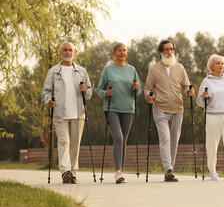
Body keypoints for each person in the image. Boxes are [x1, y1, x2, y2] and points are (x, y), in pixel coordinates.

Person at [145, 39, 194, 182]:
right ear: (160, 52)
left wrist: (189, 91)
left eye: (171, 49)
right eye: (166, 49)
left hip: (178, 109)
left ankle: (170, 169)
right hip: (160, 108)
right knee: (165, 138)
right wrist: (149, 96)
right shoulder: (154, 69)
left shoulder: (180, 68)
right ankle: (168, 169)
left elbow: (186, 85)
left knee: (174, 141)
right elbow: (148, 87)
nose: (169, 52)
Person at [43, 42, 92, 184]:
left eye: (70, 50)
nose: (68, 52)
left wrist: (85, 90)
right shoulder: (53, 72)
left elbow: (89, 92)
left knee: (75, 144)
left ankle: (73, 173)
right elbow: (46, 92)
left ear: (73, 52)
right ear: (60, 52)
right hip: (59, 113)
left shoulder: (81, 71)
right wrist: (49, 101)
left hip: (78, 113)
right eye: (65, 50)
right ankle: (65, 171)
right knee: (64, 142)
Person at [97, 42, 142, 184]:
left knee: (124, 140)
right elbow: (99, 89)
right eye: (119, 50)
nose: (122, 53)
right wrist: (106, 93)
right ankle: (117, 172)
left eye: (124, 50)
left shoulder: (132, 69)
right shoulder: (108, 70)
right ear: (114, 53)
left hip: (128, 108)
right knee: (118, 138)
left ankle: (121, 172)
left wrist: (136, 88)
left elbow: (139, 91)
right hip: (111, 108)